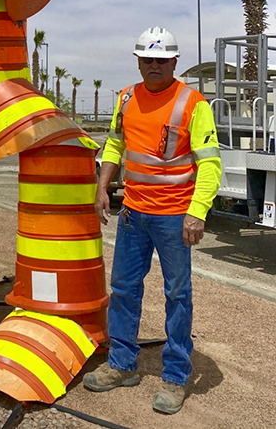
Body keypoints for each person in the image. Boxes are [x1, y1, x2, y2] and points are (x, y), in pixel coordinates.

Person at [83, 26, 221, 415]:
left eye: (162, 60)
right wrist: (102, 187)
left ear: (175, 62)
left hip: (175, 218)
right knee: (124, 289)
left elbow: (209, 164)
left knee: (178, 295)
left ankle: (176, 377)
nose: (154, 66)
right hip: (134, 213)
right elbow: (114, 142)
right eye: (147, 59)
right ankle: (122, 365)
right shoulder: (127, 98)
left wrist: (197, 212)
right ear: (138, 61)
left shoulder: (194, 104)